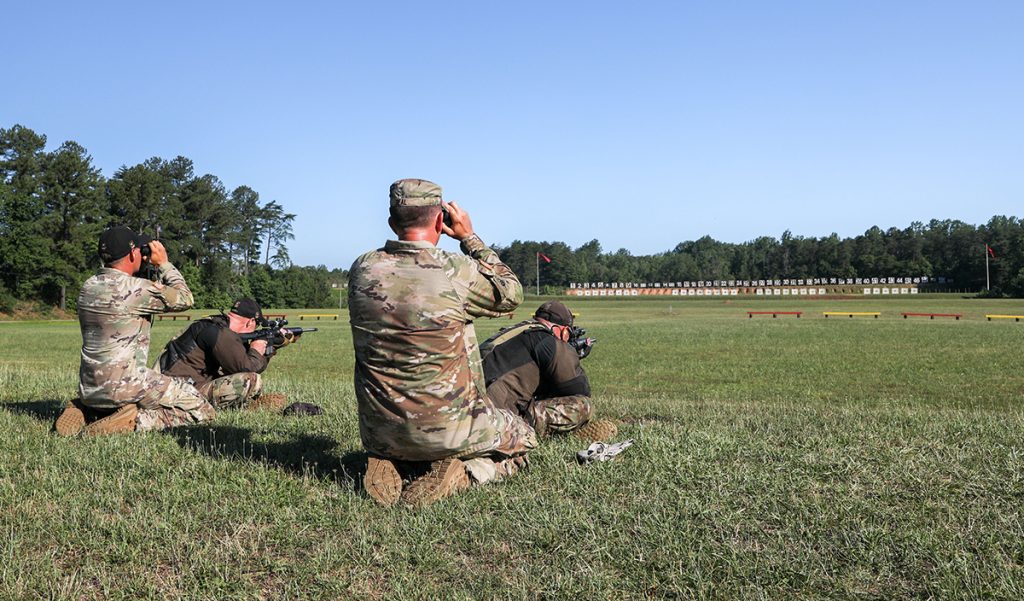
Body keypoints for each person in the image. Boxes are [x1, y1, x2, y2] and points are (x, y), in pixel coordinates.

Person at [348, 178, 537, 507]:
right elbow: (511, 293)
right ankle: (470, 472)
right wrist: (469, 238)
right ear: (440, 220)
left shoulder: (363, 269)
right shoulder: (455, 271)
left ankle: (390, 461)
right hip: (449, 431)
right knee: (524, 436)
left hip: (380, 432)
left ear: (392, 222)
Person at [54, 226, 216, 436]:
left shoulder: (89, 286)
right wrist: (164, 264)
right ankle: (132, 421)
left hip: (89, 386)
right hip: (126, 384)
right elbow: (185, 298)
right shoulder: (135, 289)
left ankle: (85, 409)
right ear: (132, 253)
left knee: (118, 396)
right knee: (201, 409)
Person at [481, 300, 617, 441]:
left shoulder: (514, 332)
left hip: (468, 411)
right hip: (495, 419)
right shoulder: (546, 341)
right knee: (584, 406)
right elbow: (579, 389)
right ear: (562, 331)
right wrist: (571, 355)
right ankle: (522, 430)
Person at [153, 298, 295, 410]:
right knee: (250, 380)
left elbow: (231, 365)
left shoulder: (211, 325)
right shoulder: (222, 334)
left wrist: (272, 344)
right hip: (178, 391)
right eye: (256, 325)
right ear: (250, 322)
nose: (255, 329)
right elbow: (248, 367)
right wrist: (260, 347)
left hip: (169, 384)